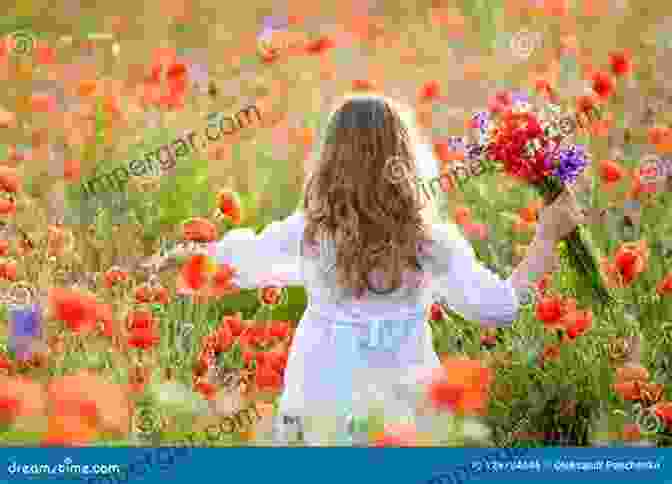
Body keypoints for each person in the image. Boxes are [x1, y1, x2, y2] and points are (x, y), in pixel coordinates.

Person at [142, 94, 589, 445]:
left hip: (319, 409)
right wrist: (547, 236)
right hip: (405, 414)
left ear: (329, 163)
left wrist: (171, 260)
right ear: (406, 163)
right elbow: (498, 309)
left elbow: (233, 262)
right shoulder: (430, 243)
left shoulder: (310, 236)